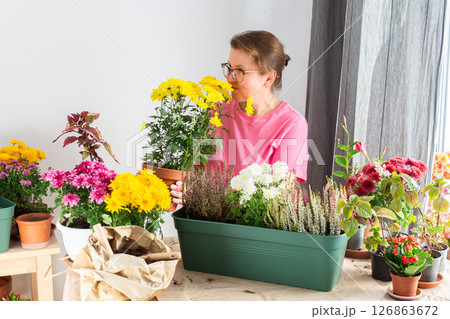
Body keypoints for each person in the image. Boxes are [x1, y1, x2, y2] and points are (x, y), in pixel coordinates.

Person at [171, 30, 309, 204]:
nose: (230, 78)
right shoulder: (215, 112)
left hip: (252, 229)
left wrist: (203, 197)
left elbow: (278, 198)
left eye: (240, 71)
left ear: (268, 78)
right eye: (229, 68)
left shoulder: (291, 124)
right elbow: (192, 173)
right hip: (203, 222)